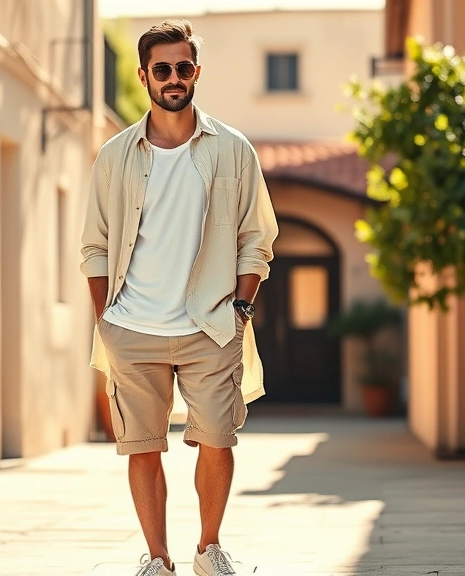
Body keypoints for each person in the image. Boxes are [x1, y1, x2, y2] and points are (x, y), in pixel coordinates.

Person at [80, 18, 278, 576]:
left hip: (211, 325)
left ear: (196, 72)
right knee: (142, 446)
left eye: (183, 67)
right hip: (131, 328)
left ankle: (208, 549)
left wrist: (240, 308)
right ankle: (158, 558)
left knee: (218, 437)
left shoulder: (233, 149)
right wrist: (105, 320)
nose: (173, 77)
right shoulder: (114, 156)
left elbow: (257, 237)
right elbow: (94, 246)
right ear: (144, 76)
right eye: (161, 69)